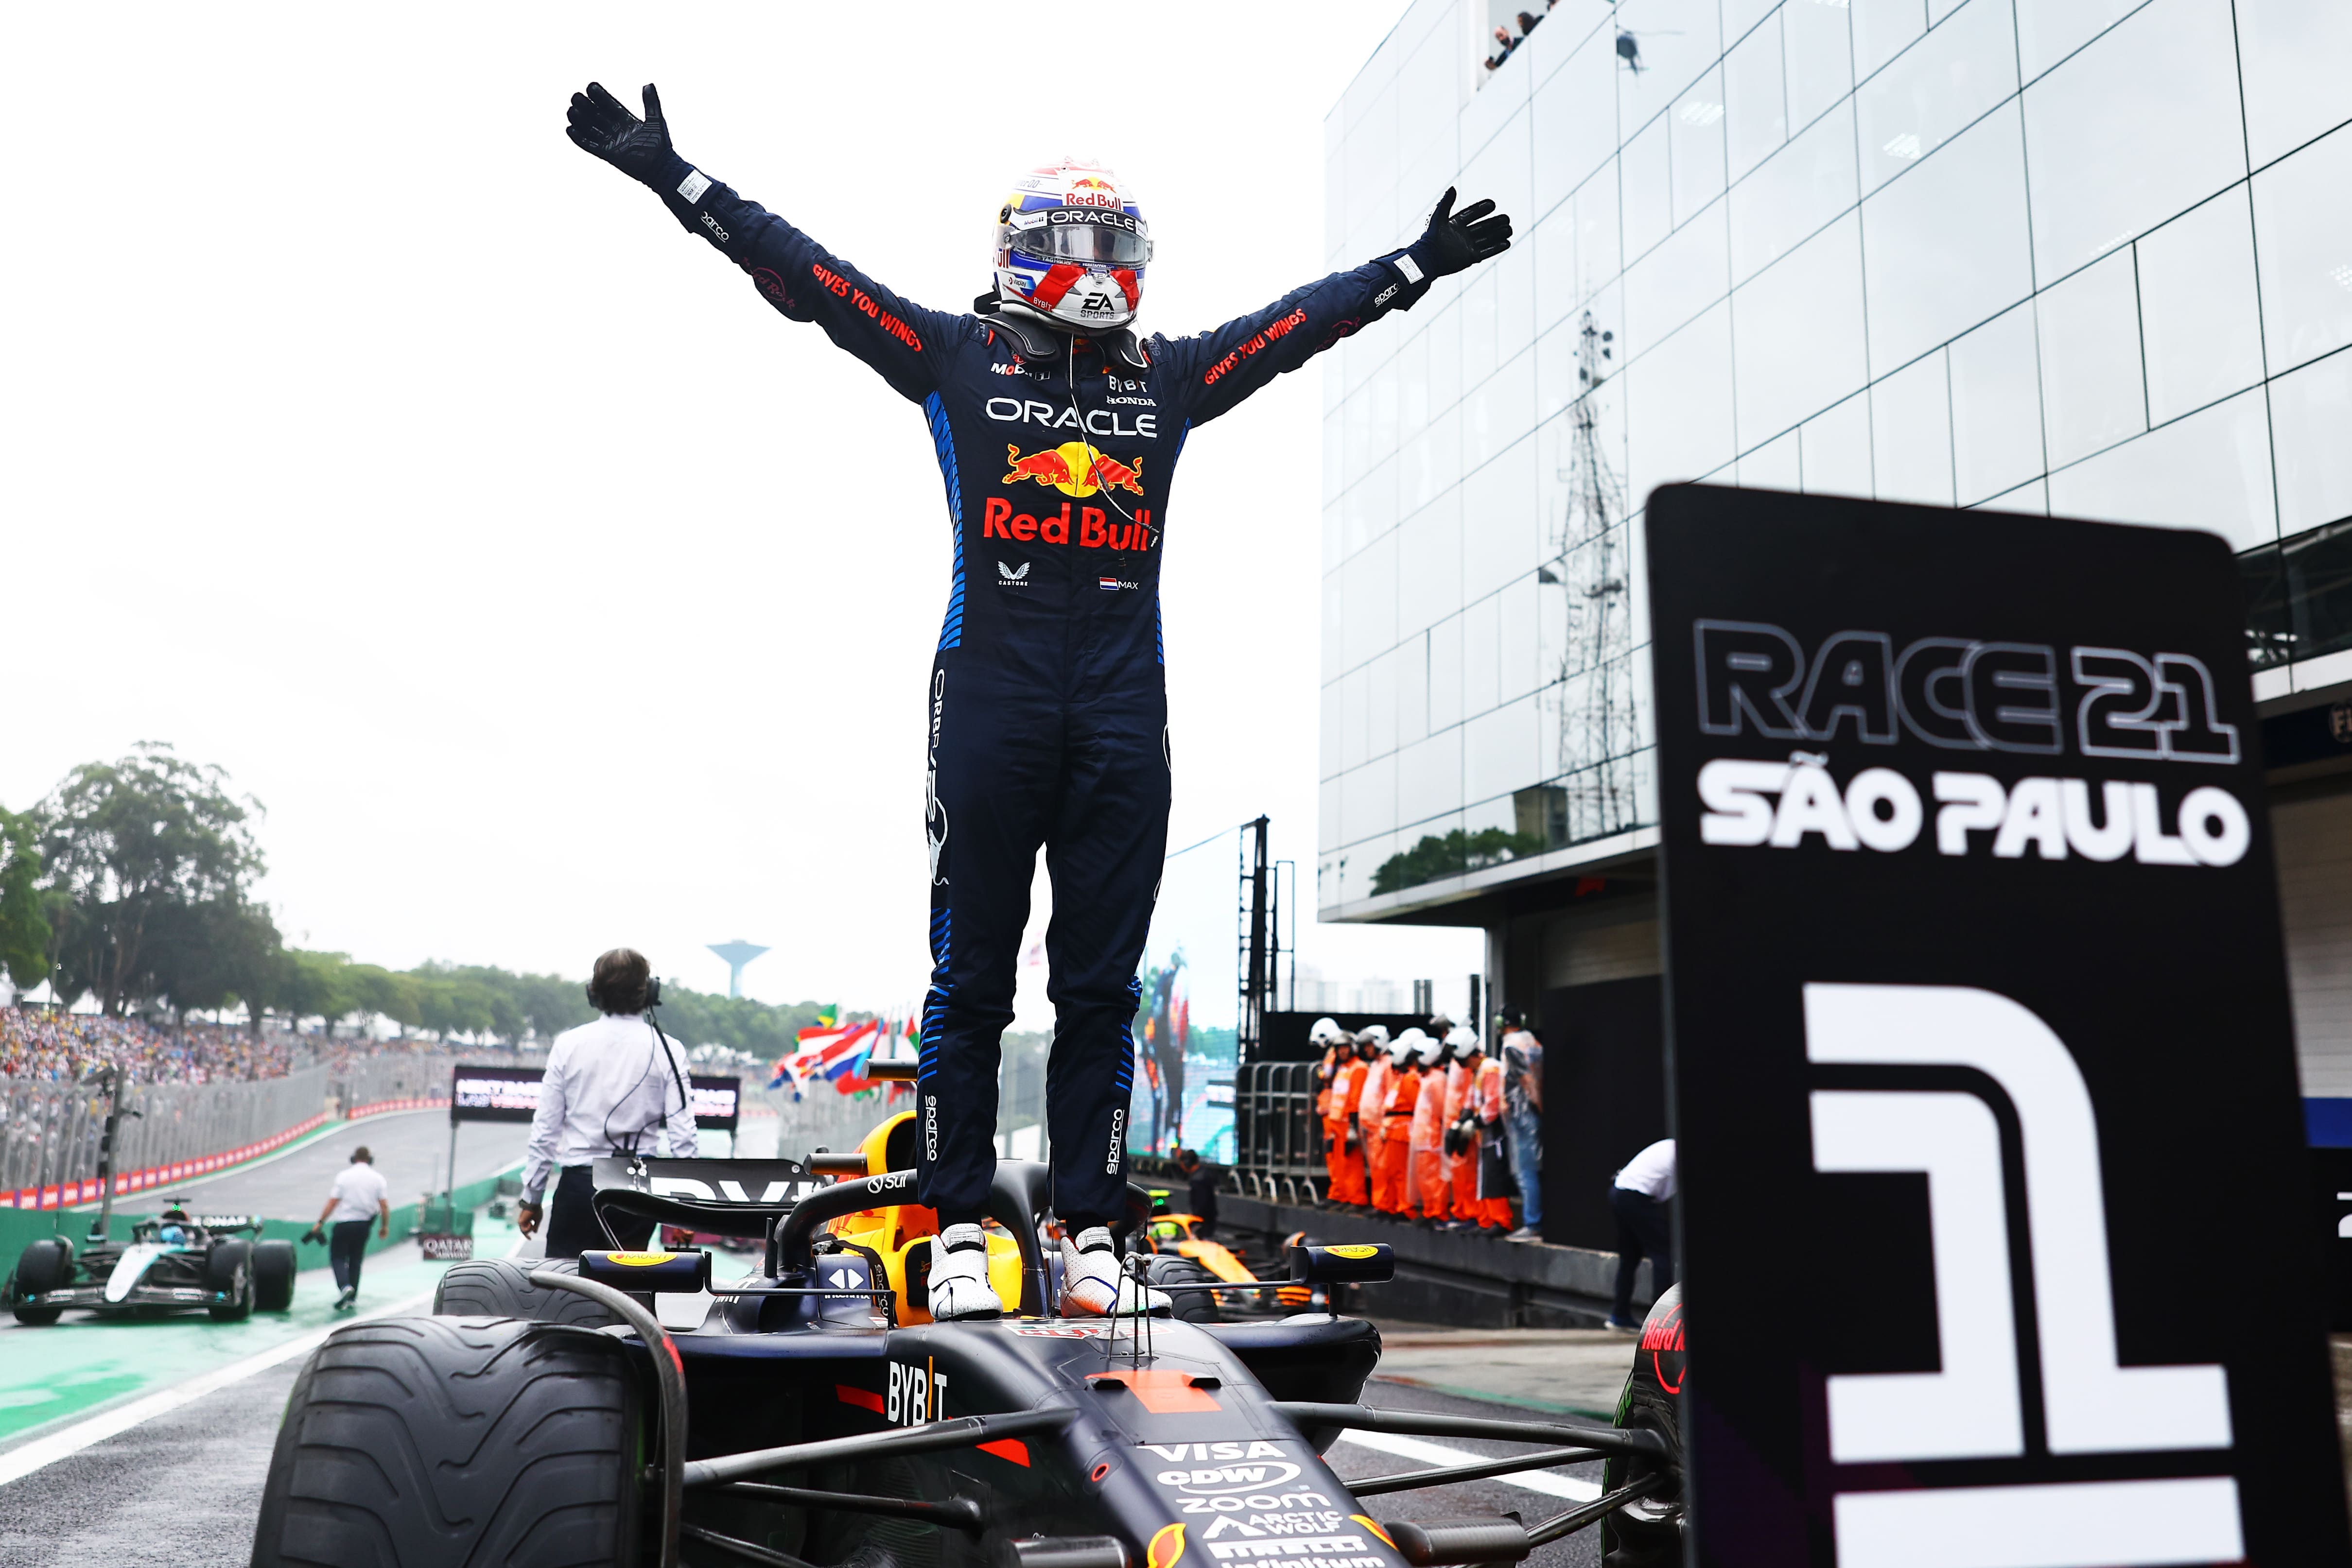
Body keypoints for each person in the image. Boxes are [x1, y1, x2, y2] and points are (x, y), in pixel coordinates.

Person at [564, 83, 1511, 1319]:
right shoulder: (955, 356)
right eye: (1076, 246)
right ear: (1019, 252)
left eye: (1117, 247)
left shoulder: (1166, 379)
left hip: (1125, 713)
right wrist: (676, 181)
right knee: (970, 988)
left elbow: (1289, 329)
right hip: (993, 704)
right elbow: (810, 278)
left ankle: (1091, 1227)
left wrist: (1408, 268)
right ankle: (958, 1222)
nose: (1099, 267)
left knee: (1100, 994)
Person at [517, 948, 698, 1262]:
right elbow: (683, 1136)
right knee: (629, 1292)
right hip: (638, 1191)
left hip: (578, 1186)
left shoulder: (568, 1045)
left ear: (594, 992)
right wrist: (686, 1210)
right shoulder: (670, 1049)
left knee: (564, 1293)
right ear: (650, 993)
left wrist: (531, 1199)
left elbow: (546, 1131)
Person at [304, 1145, 389, 1311]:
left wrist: (321, 1222)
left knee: (338, 1258)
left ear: (353, 1159)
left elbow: (333, 1202)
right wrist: (384, 1227)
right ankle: (352, 1298)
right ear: (370, 1160)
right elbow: (384, 1206)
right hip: (364, 1225)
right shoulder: (377, 1178)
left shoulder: (344, 1177)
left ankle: (344, 1287)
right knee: (356, 1260)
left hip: (344, 1224)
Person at [1609, 1137, 1676, 1331]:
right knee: (1664, 1256)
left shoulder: (1668, 1146)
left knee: (1629, 1258)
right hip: (1634, 1196)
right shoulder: (1676, 1152)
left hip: (1619, 1190)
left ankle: (1619, 1314)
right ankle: (1662, 1323)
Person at [1500, 1011, 1545, 1241]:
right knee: (1533, 1170)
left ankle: (1533, 1224)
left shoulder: (1512, 1045)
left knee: (1525, 1172)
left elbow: (1526, 1079)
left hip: (1522, 1113)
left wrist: (1537, 1103)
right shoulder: (1532, 1041)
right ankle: (1535, 1221)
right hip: (1530, 1112)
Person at [1375, 1031, 1423, 1217]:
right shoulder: (1404, 1078)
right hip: (1393, 1130)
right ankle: (1396, 1205)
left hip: (1401, 1130)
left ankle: (1405, 1207)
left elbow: (1414, 1105)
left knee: (1401, 1172)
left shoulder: (1411, 1078)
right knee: (1393, 1171)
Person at [1409, 1030, 1452, 1226]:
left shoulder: (1437, 1079)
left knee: (1434, 1178)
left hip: (1432, 1138)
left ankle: (1438, 1212)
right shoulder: (1429, 1078)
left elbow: (1441, 1110)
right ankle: (1430, 1211)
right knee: (1425, 1178)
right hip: (1423, 1137)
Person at [1321, 1027, 1367, 1208]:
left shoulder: (1359, 1068)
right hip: (1337, 1122)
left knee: (1352, 1163)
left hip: (1348, 1123)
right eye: (1339, 1048)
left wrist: (1353, 1128)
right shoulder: (1343, 1069)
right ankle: (1340, 1195)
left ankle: (1356, 1198)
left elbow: (1355, 1099)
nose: (1342, 1051)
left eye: (1345, 1047)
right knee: (1338, 1163)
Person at [1351, 1026, 1394, 1216]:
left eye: (1369, 1045)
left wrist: (1386, 1123)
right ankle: (1380, 1203)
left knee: (1383, 1167)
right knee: (1376, 1167)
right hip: (1369, 1125)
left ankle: (1384, 1204)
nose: (1366, 1050)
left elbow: (1391, 1094)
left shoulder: (1387, 1065)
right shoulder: (1376, 1065)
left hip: (1380, 1126)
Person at [1174, 1146, 1219, 1238]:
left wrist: (1194, 1220)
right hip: (1209, 1220)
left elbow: (1201, 1204)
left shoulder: (1198, 1181)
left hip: (1203, 1223)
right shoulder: (1204, 1174)